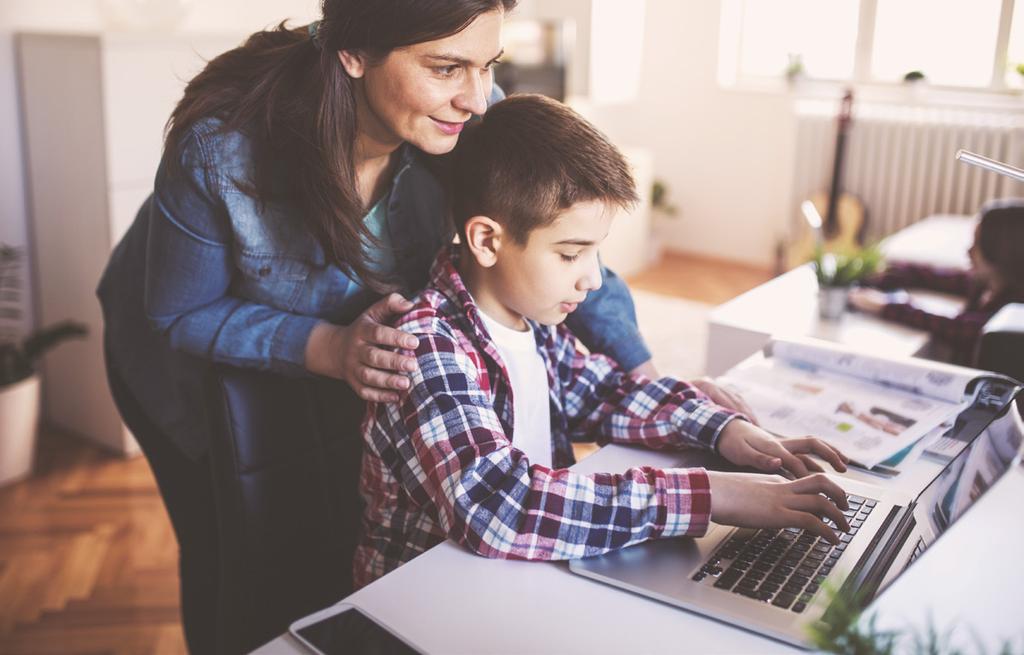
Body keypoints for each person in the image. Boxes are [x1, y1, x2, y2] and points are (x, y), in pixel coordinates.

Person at [97, 2, 713, 650]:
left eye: (488, 65)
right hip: (186, 365)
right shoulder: (222, 148)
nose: (477, 100)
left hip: (354, 350)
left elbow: (556, 239)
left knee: (328, 533)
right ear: (354, 52)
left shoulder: (467, 111)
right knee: (230, 550)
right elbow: (179, 312)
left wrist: (648, 381)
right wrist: (329, 346)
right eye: (446, 67)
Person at [354, 94, 852, 588]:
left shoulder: (533, 324)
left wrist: (726, 431)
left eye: (597, 253)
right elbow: (502, 508)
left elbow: (606, 392)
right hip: (426, 600)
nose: (593, 280)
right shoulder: (424, 347)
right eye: (571, 254)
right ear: (487, 241)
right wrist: (713, 495)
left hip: (522, 576)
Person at [849, 199, 1024, 364]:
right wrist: (881, 272)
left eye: (977, 244)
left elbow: (960, 329)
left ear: (1001, 252)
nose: (968, 251)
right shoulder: (990, 283)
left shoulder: (1013, 311)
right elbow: (932, 276)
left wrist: (886, 306)